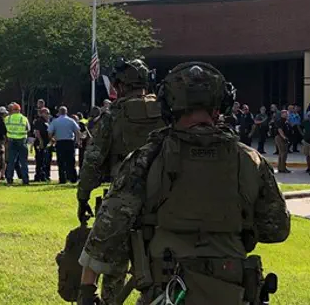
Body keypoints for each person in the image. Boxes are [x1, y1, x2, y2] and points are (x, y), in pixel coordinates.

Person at [78, 62, 291, 305]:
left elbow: (108, 228)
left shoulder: (146, 158)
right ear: (220, 106)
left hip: (167, 290)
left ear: (169, 105)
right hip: (233, 289)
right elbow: (277, 229)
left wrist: (87, 290)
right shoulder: (250, 160)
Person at [77, 58, 165, 305]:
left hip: (123, 197)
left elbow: (93, 159)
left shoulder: (114, 114)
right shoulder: (167, 111)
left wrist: (82, 196)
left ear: (119, 85)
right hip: (165, 200)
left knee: (112, 264)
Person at [48, 106, 80, 184]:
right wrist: (77, 141)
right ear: (66, 112)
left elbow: (49, 132)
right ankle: (73, 178)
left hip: (60, 142)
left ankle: (62, 179)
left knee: (61, 161)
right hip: (69, 142)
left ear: (59, 112)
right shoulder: (71, 120)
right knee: (71, 161)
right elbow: (77, 131)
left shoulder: (55, 121)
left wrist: (52, 139)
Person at [4, 102, 30, 185]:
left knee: (11, 161)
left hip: (11, 141)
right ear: (19, 110)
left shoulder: (7, 118)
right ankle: (25, 180)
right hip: (22, 141)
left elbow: (5, 128)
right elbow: (28, 129)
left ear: (12, 110)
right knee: (23, 162)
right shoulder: (24, 118)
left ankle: (9, 179)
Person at [32, 107, 52, 182]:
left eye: (48, 113)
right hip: (40, 143)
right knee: (39, 159)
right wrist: (41, 141)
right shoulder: (39, 121)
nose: (48, 115)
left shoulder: (47, 121)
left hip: (46, 143)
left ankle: (44, 175)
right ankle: (38, 176)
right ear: (42, 113)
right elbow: (37, 132)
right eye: (46, 113)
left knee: (44, 160)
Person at [274, 109, 291, 173]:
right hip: (280, 138)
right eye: (286, 113)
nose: (287, 114)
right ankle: (282, 168)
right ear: (282, 114)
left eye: (287, 113)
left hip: (283, 137)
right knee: (283, 153)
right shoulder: (280, 121)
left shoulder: (286, 121)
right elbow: (280, 129)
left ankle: (281, 168)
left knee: (282, 153)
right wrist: (284, 137)